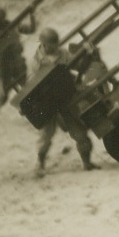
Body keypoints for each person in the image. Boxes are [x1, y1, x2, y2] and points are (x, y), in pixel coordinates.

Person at [32, 27, 99, 176]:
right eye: (51, 45)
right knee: (46, 137)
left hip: (64, 97)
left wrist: (88, 54)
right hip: (47, 102)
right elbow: (31, 87)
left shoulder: (62, 53)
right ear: (43, 44)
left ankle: (87, 163)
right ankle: (40, 163)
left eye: (55, 44)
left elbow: (79, 66)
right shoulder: (37, 61)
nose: (54, 47)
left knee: (80, 134)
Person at [0, 7, 36, 121]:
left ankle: (32, 113)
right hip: (4, 66)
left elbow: (30, 30)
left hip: (18, 63)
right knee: (2, 95)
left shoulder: (13, 26)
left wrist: (32, 16)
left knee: (27, 89)